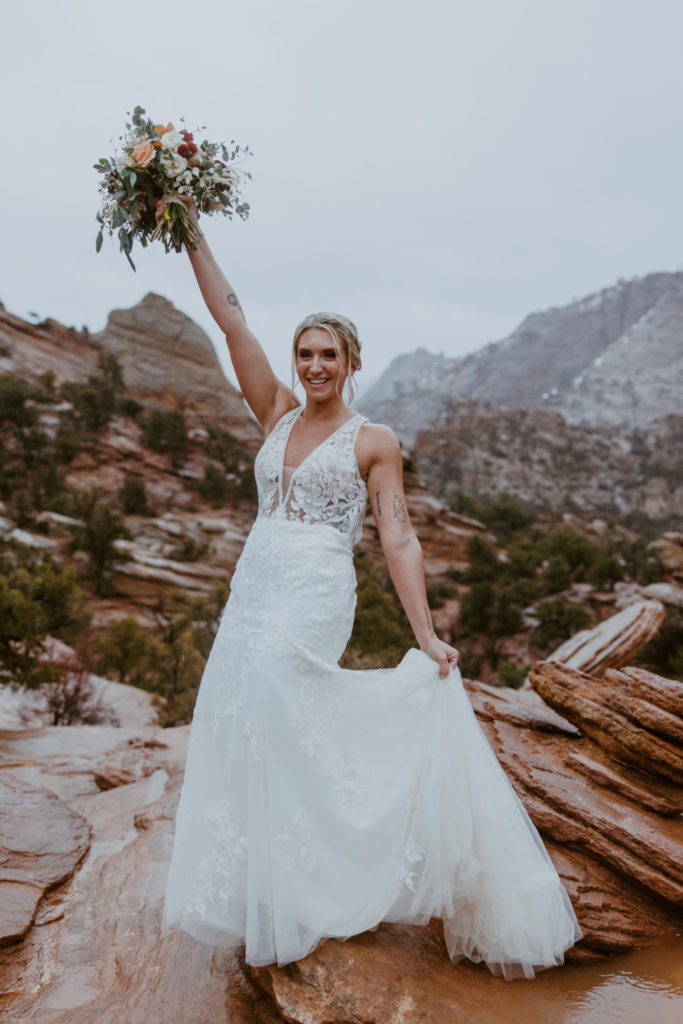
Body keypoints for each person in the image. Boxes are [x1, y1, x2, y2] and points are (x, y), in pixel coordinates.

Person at [160, 197, 582, 979]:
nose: (314, 366)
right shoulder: (277, 414)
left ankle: (330, 871)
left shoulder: (374, 440)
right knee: (240, 714)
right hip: (254, 583)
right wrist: (190, 231)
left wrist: (423, 633)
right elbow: (232, 324)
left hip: (315, 588)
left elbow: (397, 534)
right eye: (306, 354)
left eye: (328, 355)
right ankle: (275, 880)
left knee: (278, 700)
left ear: (351, 362)